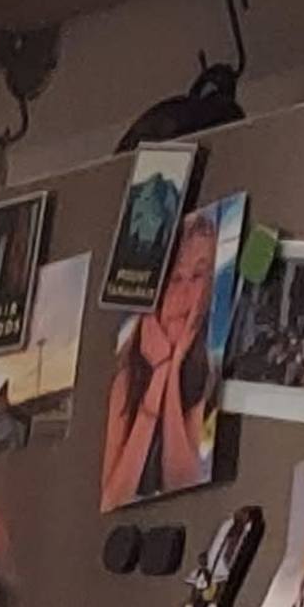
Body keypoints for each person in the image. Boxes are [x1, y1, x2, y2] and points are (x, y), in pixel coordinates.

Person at [102, 210, 224, 509]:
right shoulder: (127, 375)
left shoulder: (206, 366)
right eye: (175, 279)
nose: (185, 294)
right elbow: (112, 498)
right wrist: (157, 376)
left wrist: (171, 369)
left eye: (198, 276)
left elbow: (181, 481)